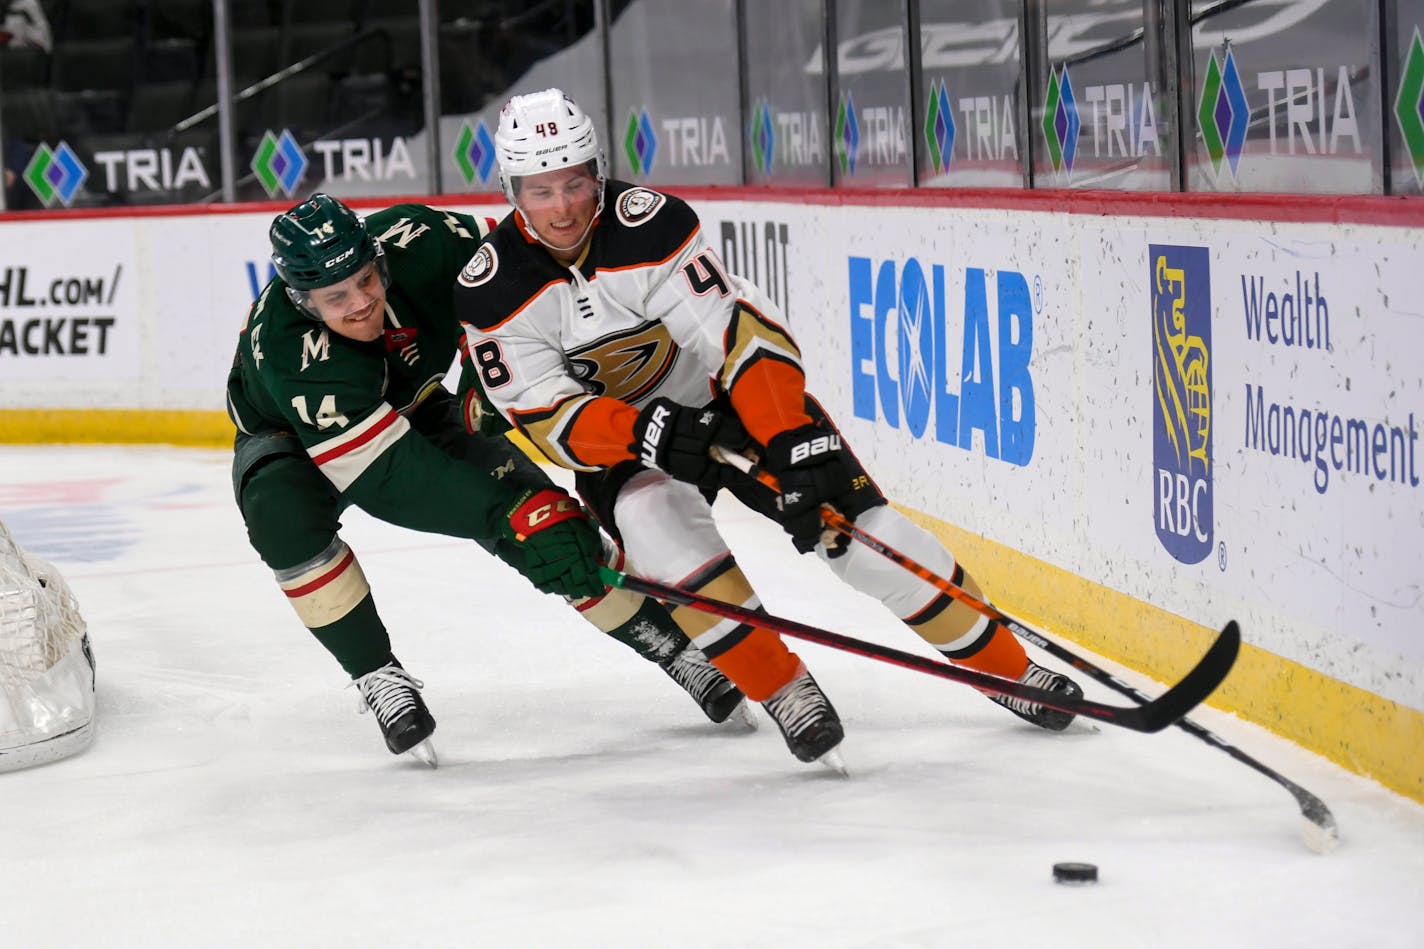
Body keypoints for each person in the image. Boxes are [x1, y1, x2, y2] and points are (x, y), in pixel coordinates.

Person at [453, 88, 1084, 768]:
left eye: (576, 181)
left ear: (598, 170)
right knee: (666, 547)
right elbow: (545, 414)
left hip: (732, 408)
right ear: (512, 189)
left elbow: (736, 335)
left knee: (866, 537)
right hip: (626, 448)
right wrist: (643, 433)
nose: (564, 206)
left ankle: (1008, 670)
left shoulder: (651, 225)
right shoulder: (489, 287)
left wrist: (786, 437)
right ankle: (785, 690)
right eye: (541, 190)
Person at [226, 194, 750, 766]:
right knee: (282, 519)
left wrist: (489, 373)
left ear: (378, 255)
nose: (361, 302)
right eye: (336, 297)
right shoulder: (291, 351)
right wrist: (504, 515)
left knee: (548, 520)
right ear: (303, 301)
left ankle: (674, 649)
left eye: (366, 278)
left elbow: (516, 264)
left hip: (418, 401)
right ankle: (376, 673)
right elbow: (386, 475)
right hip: (292, 440)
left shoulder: (420, 237)